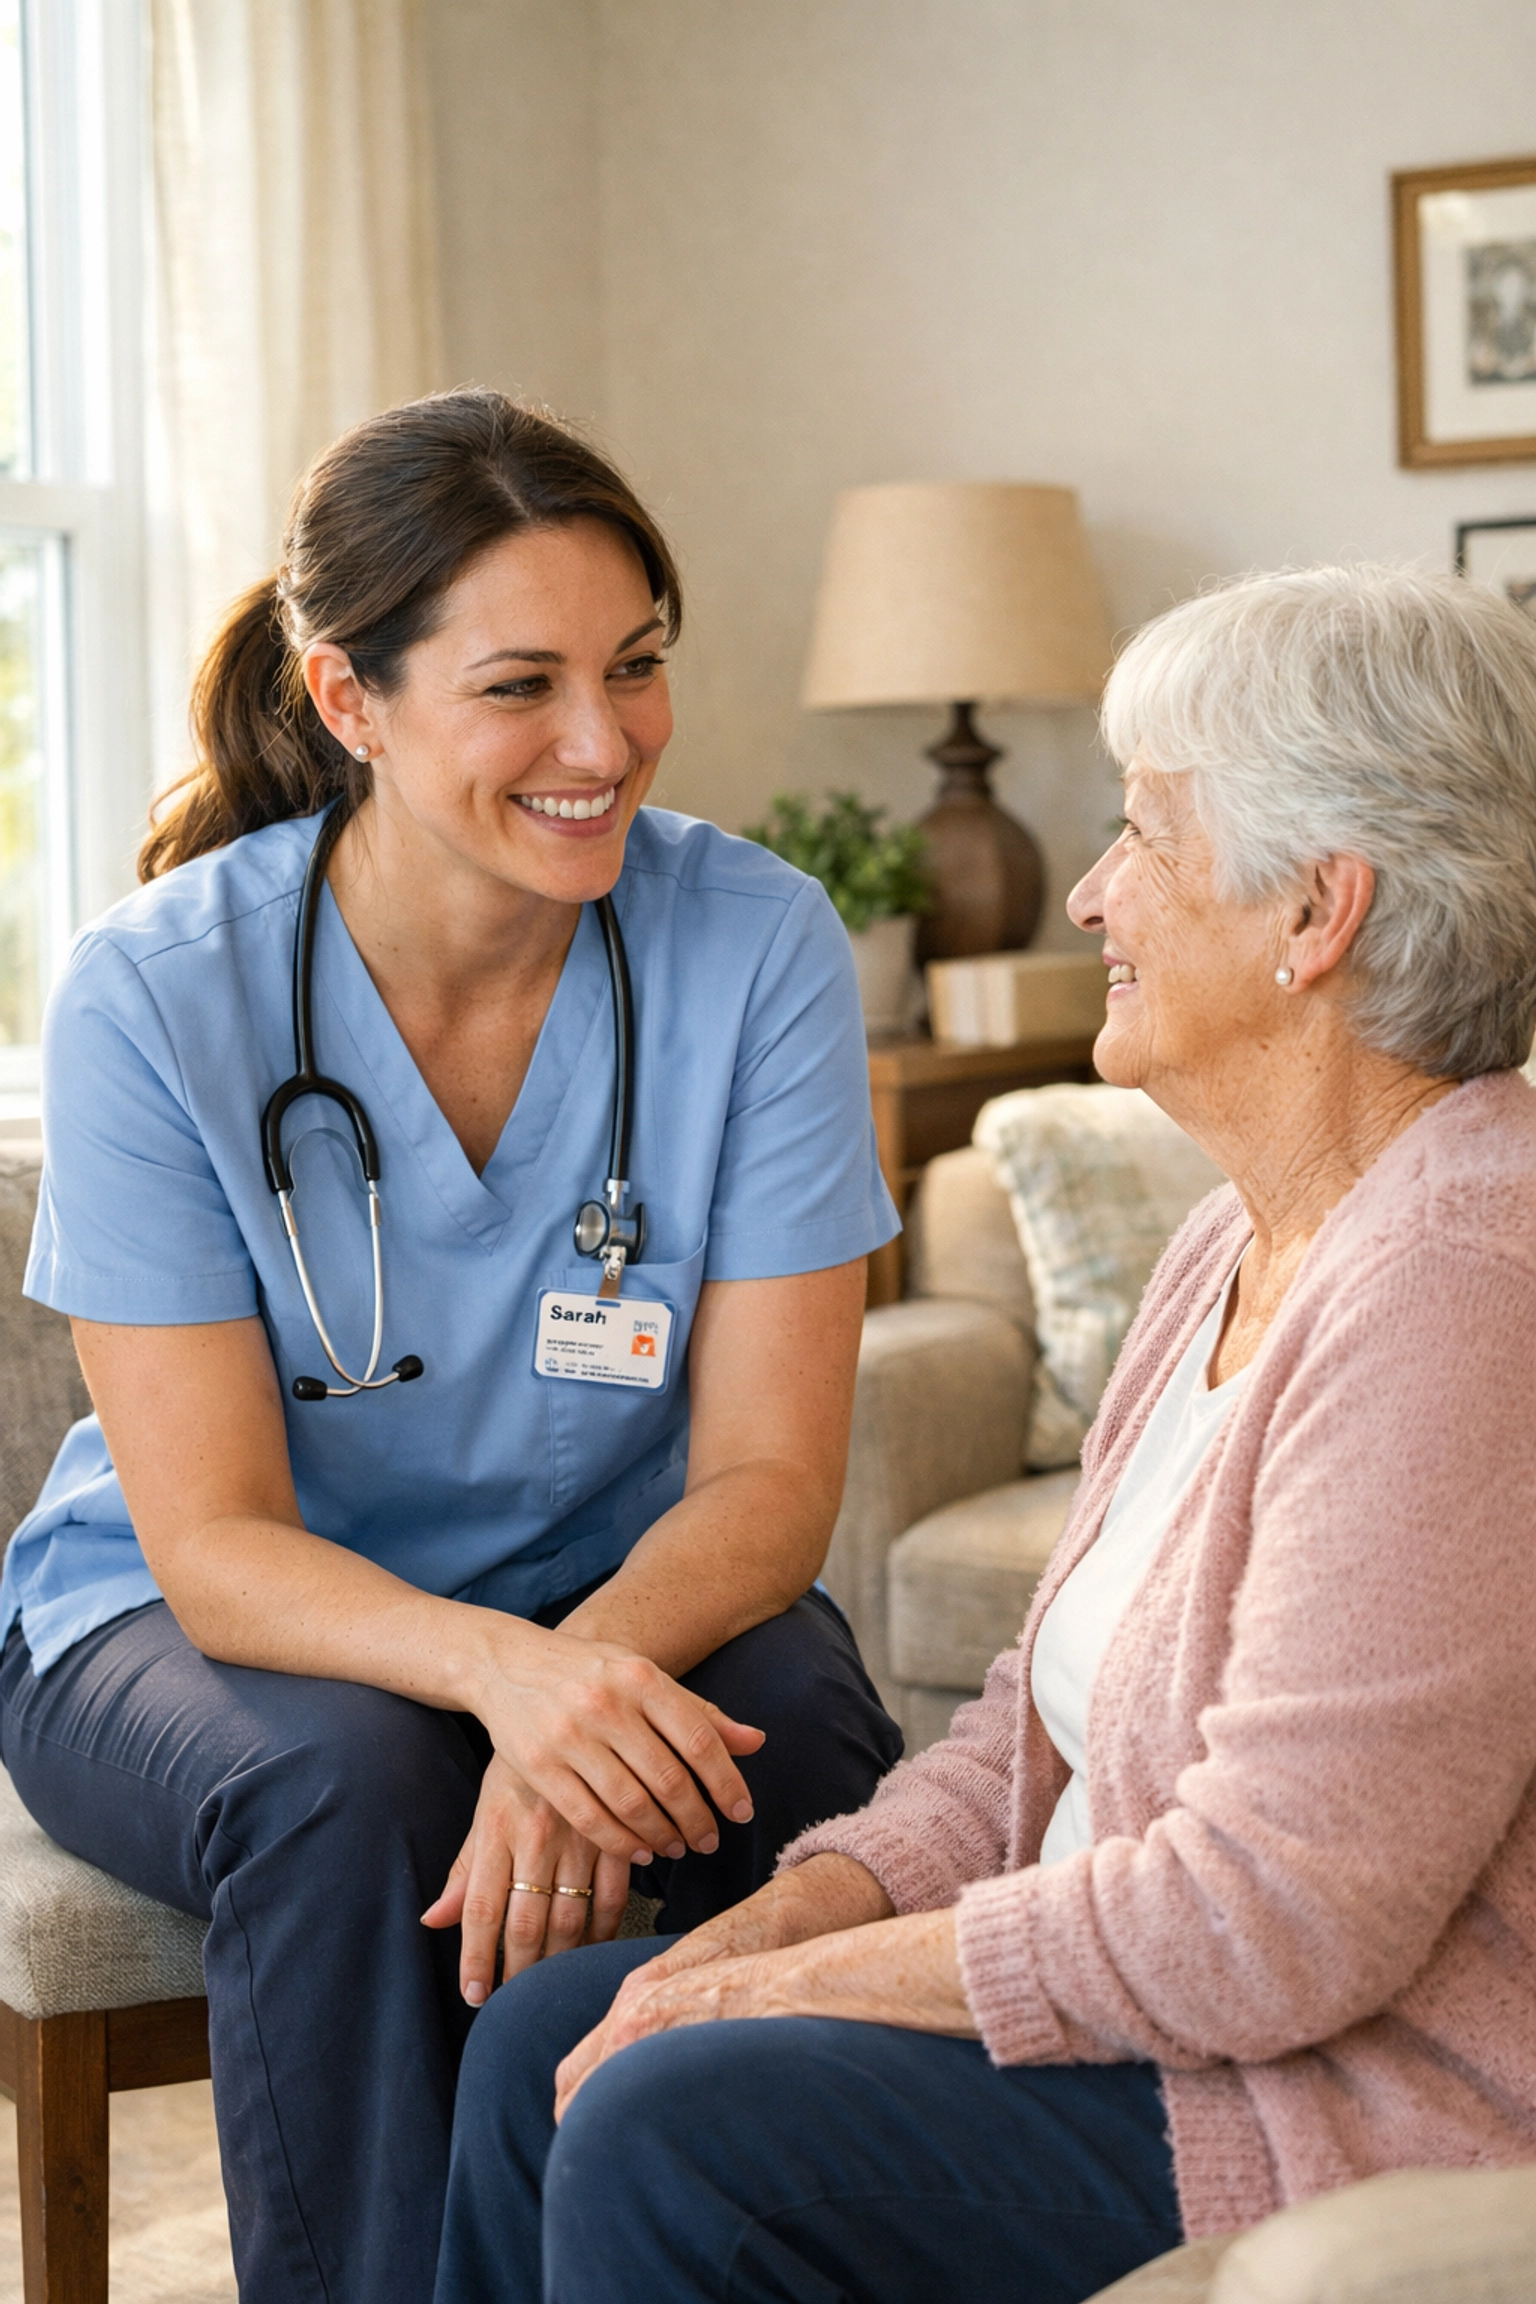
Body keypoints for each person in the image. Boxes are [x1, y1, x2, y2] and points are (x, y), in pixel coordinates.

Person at [435, 563, 1536, 2304]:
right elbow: (1030, 1729)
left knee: (672, 2125)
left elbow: (1274, 1922)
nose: (1094, 894)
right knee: (547, 2034)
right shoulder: (1238, 1237)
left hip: (1325, 2086)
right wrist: (795, 1913)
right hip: (1160, 2021)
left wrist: (779, 1990)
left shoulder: (1466, 1285)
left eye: (1144, 838)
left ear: (1317, 913)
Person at [0, 389, 904, 2304]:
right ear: (349, 700)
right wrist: (514, 1693)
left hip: (614, 1581)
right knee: (351, 1788)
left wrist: (561, 1691)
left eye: (638, 668)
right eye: (523, 687)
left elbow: (768, 1483)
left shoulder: (759, 947)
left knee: (805, 1734)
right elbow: (219, 1542)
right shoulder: (157, 995)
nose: (606, 745)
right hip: (201, 1625)